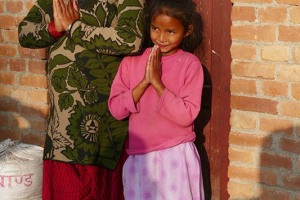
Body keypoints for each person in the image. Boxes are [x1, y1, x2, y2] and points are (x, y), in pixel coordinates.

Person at [18, 0, 145, 199]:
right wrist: (56, 27)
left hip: (104, 122)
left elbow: (131, 38)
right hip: (63, 125)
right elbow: (25, 33)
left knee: (101, 189)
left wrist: (73, 27)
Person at [108, 0, 205, 199]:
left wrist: (158, 84)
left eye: (171, 32)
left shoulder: (190, 65)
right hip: (140, 157)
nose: (161, 38)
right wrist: (144, 82)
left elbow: (187, 115)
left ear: (187, 31)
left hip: (177, 154)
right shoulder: (131, 62)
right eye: (155, 29)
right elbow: (116, 110)